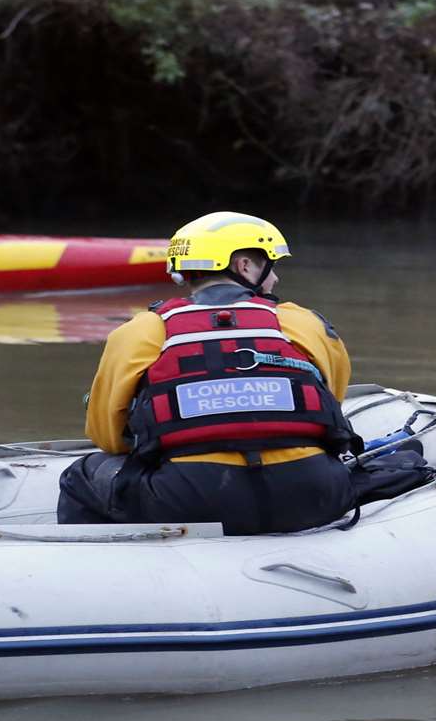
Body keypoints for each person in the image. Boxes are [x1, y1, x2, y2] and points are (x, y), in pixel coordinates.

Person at [56, 211, 363, 535]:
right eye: (271, 265)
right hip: (313, 491)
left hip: (187, 500)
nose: (275, 279)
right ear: (244, 265)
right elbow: (333, 405)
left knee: (79, 476)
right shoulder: (303, 323)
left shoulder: (141, 331)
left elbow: (107, 436)